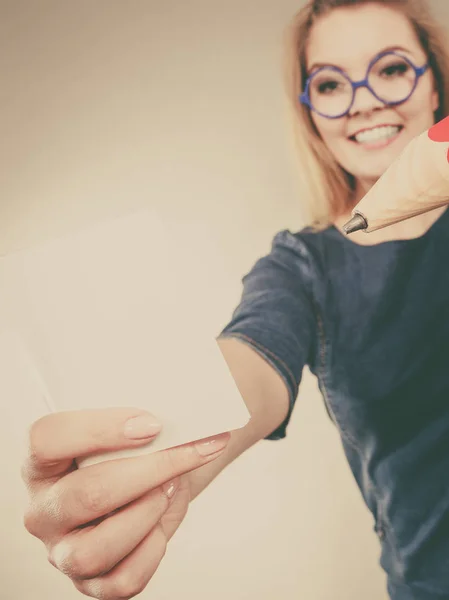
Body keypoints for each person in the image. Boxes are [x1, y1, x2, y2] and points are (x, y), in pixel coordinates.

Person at [20, 0, 449, 598]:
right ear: (310, 113)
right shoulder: (304, 268)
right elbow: (252, 363)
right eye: (329, 82)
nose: (364, 99)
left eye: (392, 69)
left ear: (435, 84)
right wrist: (164, 456)